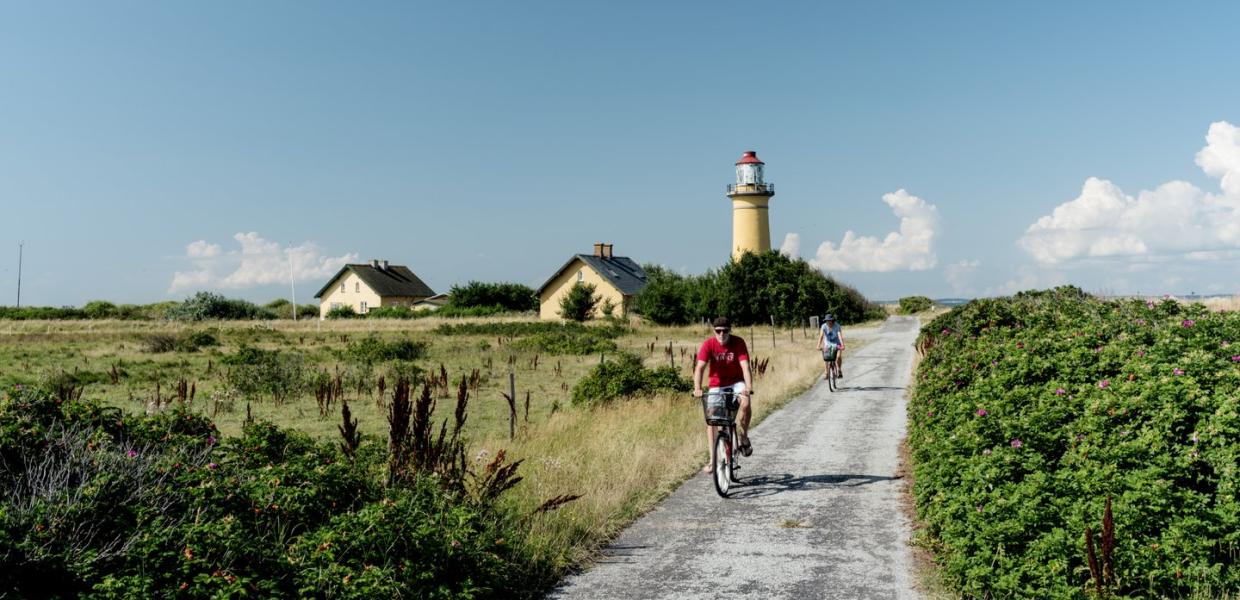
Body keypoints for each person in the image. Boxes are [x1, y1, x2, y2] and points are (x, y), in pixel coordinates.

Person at [693, 316, 754, 473]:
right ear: (714, 331)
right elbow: (699, 368)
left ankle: (743, 436)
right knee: (712, 419)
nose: (721, 334)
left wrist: (748, 387)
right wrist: (697, 388)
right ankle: (713, 460)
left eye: (725, 331)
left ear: (730, 330)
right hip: (716, 385)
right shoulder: (708, 344)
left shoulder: (738, 342)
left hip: (736, 382)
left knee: (746, 403)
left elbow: (745, 366)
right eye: (718, 331)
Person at [816, 313, 845, 380]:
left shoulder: (837, 326)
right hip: (828, 344)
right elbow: (821, 336)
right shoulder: (824, 326)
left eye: (829, 320)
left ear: (832, 320)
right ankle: (826, 373)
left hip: (837, 343)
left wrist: (842, 345)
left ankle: (839, 370)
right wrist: (818, 345)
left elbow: (840, 336)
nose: (828, 322)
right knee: (826, 358)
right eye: (827, 320)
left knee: (838, 357)